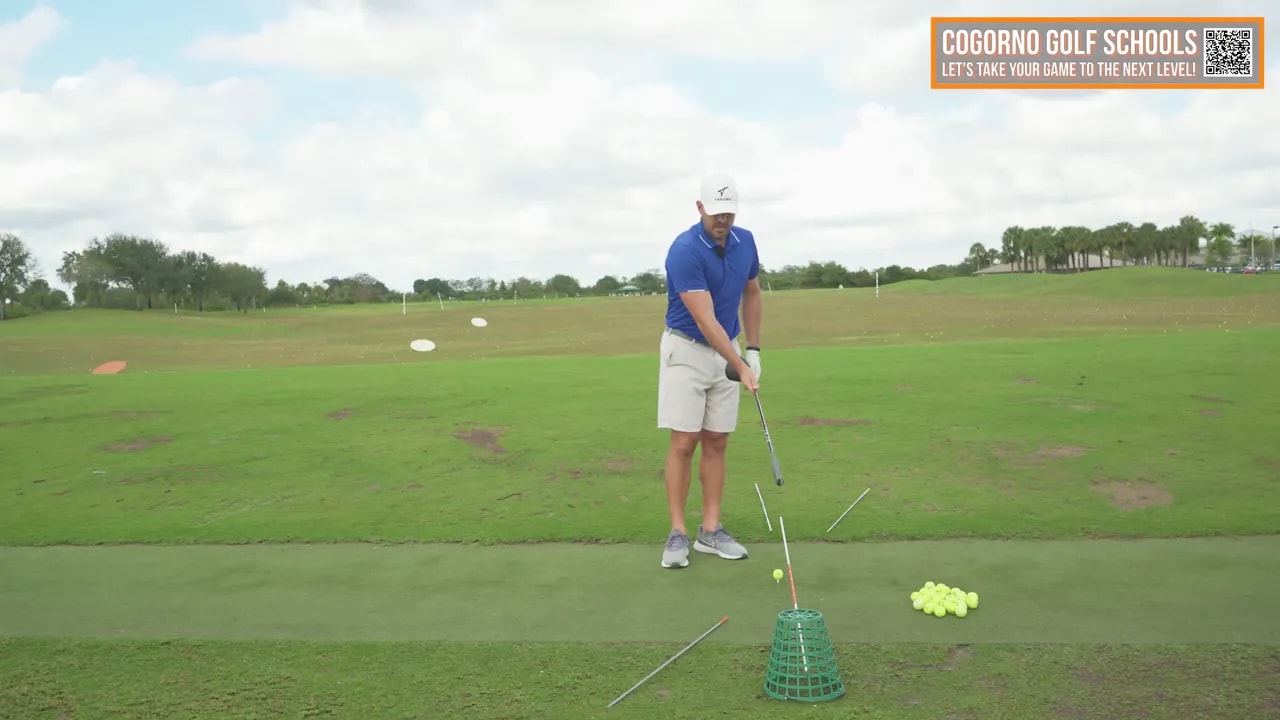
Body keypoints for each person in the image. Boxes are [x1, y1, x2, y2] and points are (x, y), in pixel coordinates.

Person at [656, 172, 763, 569]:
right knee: (684, 442)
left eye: (729, 213)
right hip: (686, 350)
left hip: (729, 349)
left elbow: (751, 293)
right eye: (716, 213)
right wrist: (738, 364)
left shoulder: (745, 241)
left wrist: (752, 350)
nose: (723, 221)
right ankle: (678, 533)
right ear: (700, 208)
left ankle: (710, 531)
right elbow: (705, 321)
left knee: (717, 440)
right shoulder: (684, 250)